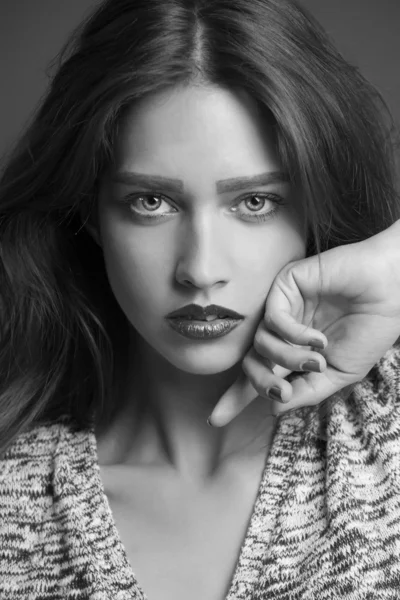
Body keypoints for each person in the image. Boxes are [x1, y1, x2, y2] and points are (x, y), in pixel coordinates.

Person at [0, 0, 399, 598]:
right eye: (151, 202)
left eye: (255, 202)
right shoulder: (16, 502)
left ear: (314, 205)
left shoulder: (385, 434)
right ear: (89, 210)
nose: (200, 270)